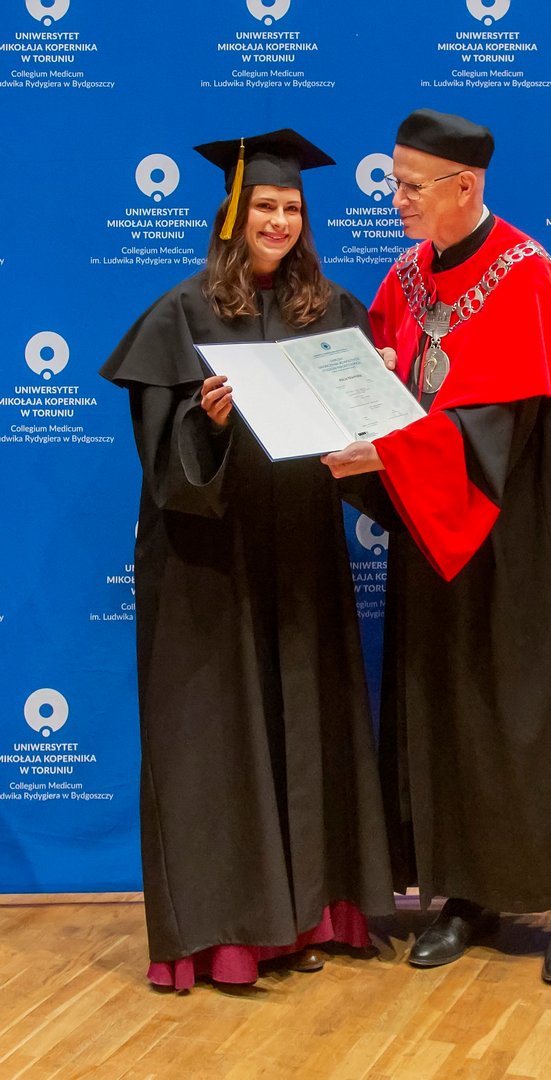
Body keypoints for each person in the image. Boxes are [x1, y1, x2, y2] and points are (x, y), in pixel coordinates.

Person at [322, 108, 551, 984]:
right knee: (443, 709)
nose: (397, 200)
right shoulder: (406, 277)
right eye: (394, 182)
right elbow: (385, 390)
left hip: (517, 546)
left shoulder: (526, 274)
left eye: (412, 186)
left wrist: (393, 450)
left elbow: (496, 431)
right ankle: (464, 893)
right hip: (433, 535)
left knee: (531, 711)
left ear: (466, 186)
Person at [100, 128, 395, 991]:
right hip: (208, 561)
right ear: (233, 213)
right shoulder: (181, 314)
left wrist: (374, 404)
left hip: (301, 550)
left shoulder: (330, 312)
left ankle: (315, 915)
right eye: (264, 205)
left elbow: (368, 446)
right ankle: (228, 937)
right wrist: (209, 421)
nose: (279, 221)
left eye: (292, 208)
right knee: (218, 736)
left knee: (309, 720)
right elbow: (164, 465)